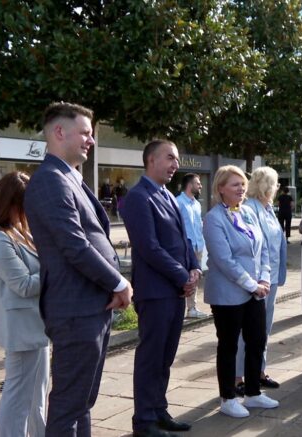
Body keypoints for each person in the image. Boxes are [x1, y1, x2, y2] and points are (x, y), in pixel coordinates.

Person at [24, 102, 133, 436]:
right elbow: (74, 245)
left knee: (82, 401)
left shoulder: (69, 178)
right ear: (60, 132)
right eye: (85, 132)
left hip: (91, 306)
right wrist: (118, 283)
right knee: (69, 405)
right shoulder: (50, 180)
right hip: (75, 311)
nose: (91, 140)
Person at [120, 140, 201, 437]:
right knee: (151, 358)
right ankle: (144, 421)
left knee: (165, 357)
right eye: (170, 158)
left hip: (174, 290)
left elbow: (184, 238)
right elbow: (149, 247)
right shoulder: (138, 197)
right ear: (151, 160)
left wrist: (194, 267)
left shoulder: (167, 195)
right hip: (155, 292)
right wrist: (182, 276)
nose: (175, 164)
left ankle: (158, 410)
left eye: (177, 159)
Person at [0, 171, 49, 437]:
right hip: (19, 329)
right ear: (10, 202)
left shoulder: (19, 230)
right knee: (17, 397)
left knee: (38, 394)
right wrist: (55, 271)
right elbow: (24, 284)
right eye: (26, 204)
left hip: (37, 324)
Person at [204, 165, 278, 418]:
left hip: (255, 291)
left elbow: (263, 249)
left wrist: (264, 278)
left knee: (257, 340)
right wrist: (252, 285)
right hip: (228, 294)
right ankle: (228, 398)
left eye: (243, 184)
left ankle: (253, 393)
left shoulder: (247, 212)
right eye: (235, 184)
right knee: (229, 346)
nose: (241, 189)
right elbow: (224, 260)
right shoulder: (214, 218)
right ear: (220, 188)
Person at [234, 167, 287, 395]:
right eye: (275, 184)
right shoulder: (250, 208)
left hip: (270, 278)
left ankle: (259, 371)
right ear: (267, 186)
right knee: (247, 331)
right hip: (256, 280)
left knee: (264, 329)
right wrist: (258, 280)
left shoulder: (268, 208)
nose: (277, 188)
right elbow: (252, 247)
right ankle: (237, 376)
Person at [176, 173, 208, 319]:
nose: (200, 186)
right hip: (185, 247)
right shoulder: (178, 202)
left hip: (198, 246)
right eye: (198, 183)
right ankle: (181, 309)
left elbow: (198, 224)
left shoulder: (197, 204)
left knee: (195, 277)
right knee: (185, 278)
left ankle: (192, 308)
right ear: (190, 185)